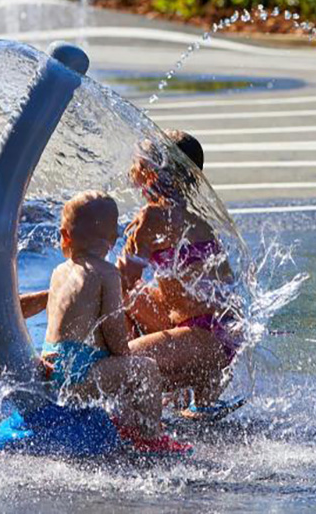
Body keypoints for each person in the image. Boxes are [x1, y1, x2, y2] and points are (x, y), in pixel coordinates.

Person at [31, 189, 190, 455]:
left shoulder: (59, 272)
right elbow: (114, 328)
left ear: (65, 236)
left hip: (53, 365)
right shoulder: (107, 274)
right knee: (144, 370)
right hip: (79, 376)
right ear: (114, 239)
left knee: (120, 371)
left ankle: (126, 424)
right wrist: (124, 356)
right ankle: (151, 437)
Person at [117, 130, 243, 419]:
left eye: (137, 166)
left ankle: (138, 422)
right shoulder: (193, 219)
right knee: (125, 304)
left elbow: (121, 279)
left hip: (203, 337)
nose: (130, 174)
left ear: (152, 172)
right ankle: (190, 392)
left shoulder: (153, 217)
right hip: (219, 335)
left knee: (116, 365)